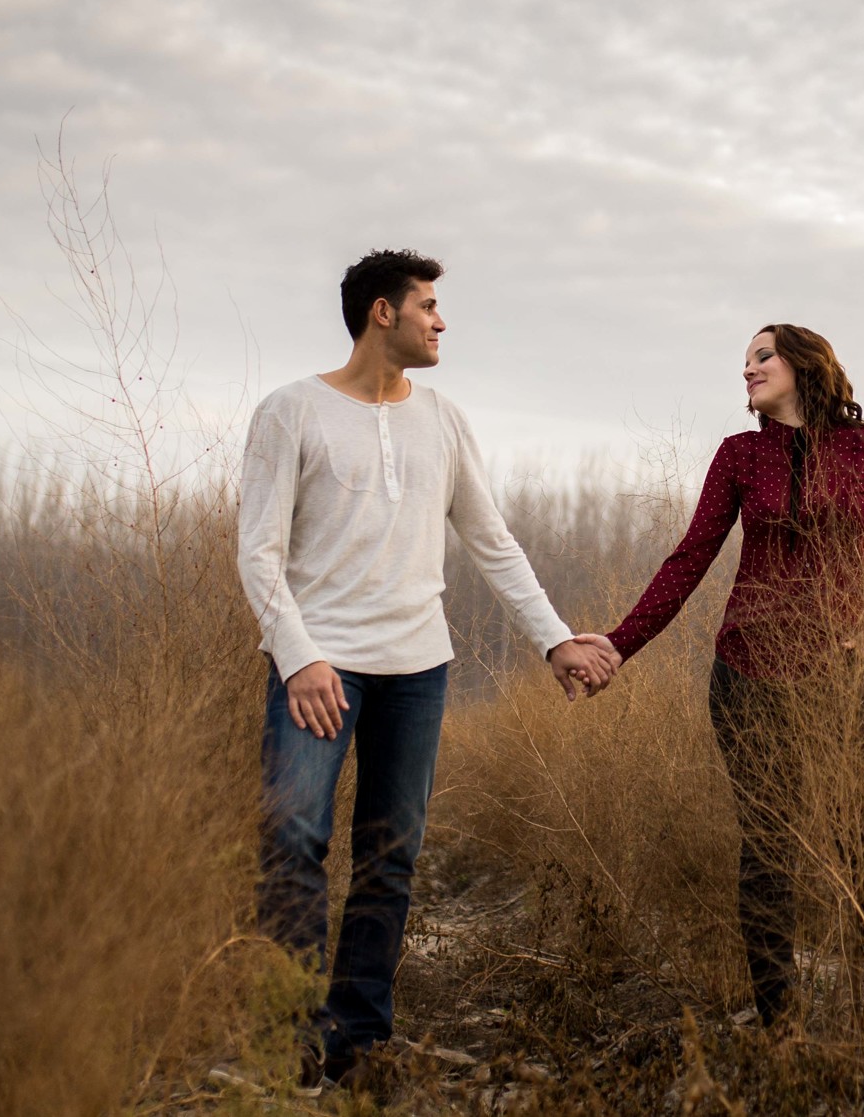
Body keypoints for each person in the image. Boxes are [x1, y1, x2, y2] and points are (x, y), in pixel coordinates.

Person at [230, 249, 619, 1093]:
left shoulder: (442, 419)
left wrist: (554, 639)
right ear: (382, 312)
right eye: (429, 306)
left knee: (390, 855)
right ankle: (286, 1033)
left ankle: (358, 1038)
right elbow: (258, 552)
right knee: (292, 838)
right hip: (320, 668)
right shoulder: (289, 411)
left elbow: (491, 540)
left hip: (416, 670)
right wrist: (298, 656)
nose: (441, 321)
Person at [594, 323, 864, 1070]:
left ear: (804, 366)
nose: (746, 368)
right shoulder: (739, 455)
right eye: (744, 360)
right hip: (748, 676)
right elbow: (689, 557)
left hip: (842, 681)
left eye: (761, 356)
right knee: (771, 852)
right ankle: (782, 1024)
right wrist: (620, 644)